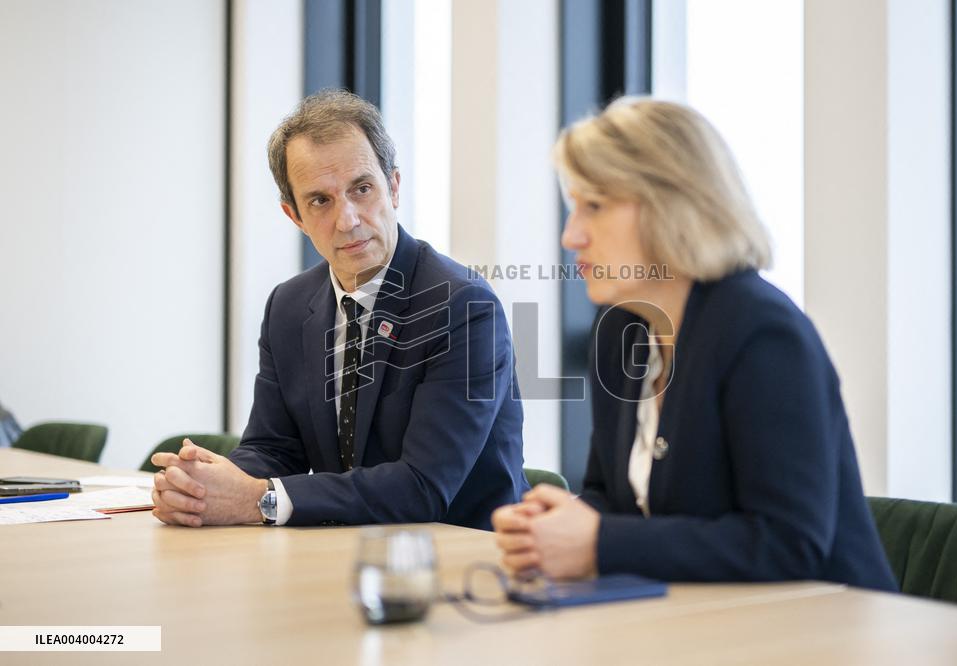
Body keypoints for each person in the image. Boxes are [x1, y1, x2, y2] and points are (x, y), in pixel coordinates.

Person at [492, 98, 897, 591]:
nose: (571, 235)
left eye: (593, 206)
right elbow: (611, 495)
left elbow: (789, 544)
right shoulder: (622, 328)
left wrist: (598, 542)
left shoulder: (762, 333)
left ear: (672, 205)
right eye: (573, 207)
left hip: (829, 632)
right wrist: (558, 526)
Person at [151, 90, 528, 528]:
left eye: (362, 189)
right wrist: (205, 486)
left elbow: (423, 487)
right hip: (343, 553)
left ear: (394, 187)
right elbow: (274, 448)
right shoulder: (288, 306)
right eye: (320, 201)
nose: (347, 219)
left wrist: (261, 499)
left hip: (463, 559)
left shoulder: (462, 306)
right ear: (294, 216)